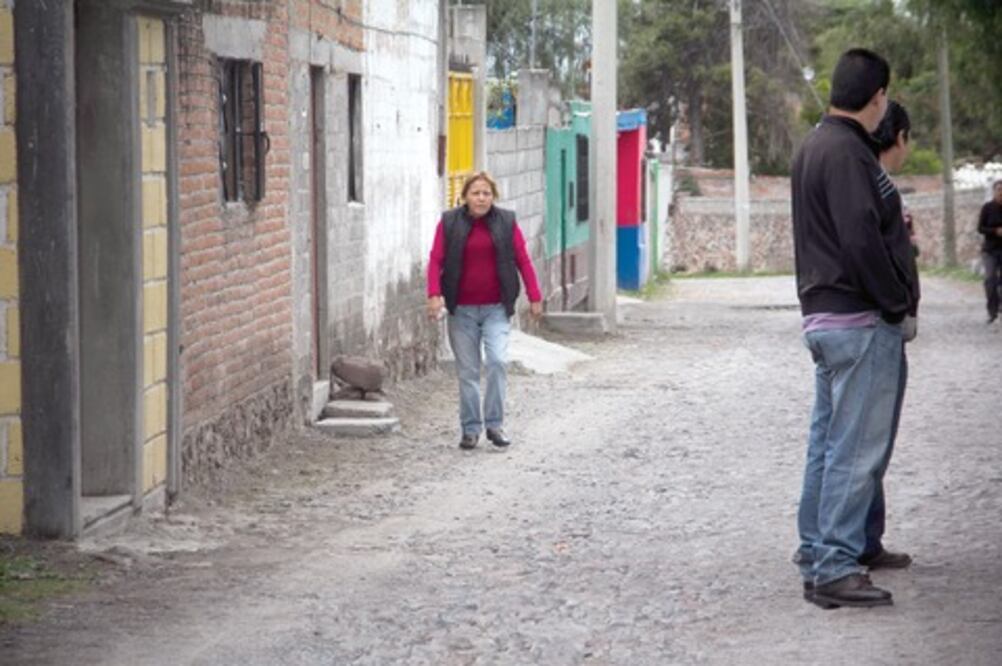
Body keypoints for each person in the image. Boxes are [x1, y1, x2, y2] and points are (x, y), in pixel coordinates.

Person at [791, 48, 918, 609]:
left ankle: (818, 549)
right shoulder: (848, 153)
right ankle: (836, 566)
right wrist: (895, 302)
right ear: (878, 97)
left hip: (826, 316)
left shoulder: (816, 146)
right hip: (859, 318)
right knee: (855, 450)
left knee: (827, 444)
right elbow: (860, 238)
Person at [426, 171, 543, 450]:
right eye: (476, 193)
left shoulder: (506, 222)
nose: (481, 198)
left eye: (486, 193)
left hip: (496, 309)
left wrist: (535, 296)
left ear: (494, 197)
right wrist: (434, 295)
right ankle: (470, 429)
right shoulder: (449, 222)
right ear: (465, 196)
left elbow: (523, 261)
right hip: (462, 310)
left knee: (497, 362)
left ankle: (494, 424)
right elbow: (435, 260)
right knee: (467, 371)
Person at [860, 99, 921, 570]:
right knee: (869, 443)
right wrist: (898, 306)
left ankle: (864, 538)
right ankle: (856, 543)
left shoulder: (869, 181)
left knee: (861, 442)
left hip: (868, 321)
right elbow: (879, 254)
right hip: (877, 324)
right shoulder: (879, 185)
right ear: (897, 138)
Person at [977, 179, 1002, 324]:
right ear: (994, 192)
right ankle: (992, 311)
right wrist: (995, 231)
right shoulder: (987, 208)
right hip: (990, 250)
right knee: (990, 279)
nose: (1001, 193)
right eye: (999, 190)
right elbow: (980, 228)